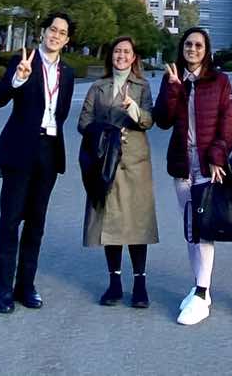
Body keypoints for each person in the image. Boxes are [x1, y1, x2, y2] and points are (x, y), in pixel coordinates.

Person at [0, 12, 75, 314]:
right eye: (52, 29)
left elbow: (61, 113)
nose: (56, 35)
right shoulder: (23, 60)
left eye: (62, 32)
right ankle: (5, 288)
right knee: (10, 219)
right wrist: (18, 79)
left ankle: (27, 285)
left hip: (49, 151)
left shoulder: (68, 73)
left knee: (36, 223)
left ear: (67, 40)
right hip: (19, 149)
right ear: (44, 32)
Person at [153, 26, 232, 326]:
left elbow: (229, 124)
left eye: (199, 45)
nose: (193, 49)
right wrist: (174, 88)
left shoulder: (219, 81)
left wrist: (217, 156)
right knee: (191, 228)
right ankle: (199, 287)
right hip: (181, 164)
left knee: (204, 228)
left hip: (207, 165)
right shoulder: (173, 78)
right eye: (188, 44)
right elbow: (162, 120)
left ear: (207, 49)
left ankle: (202, 293)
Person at [77, 35, 160, 308]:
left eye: (126, 52)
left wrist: (133, 108)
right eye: (117, 51)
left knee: (136, 223)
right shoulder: (98, 87)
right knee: (110, 222)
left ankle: (140, 284)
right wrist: (104, 132)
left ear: (134, 57)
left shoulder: (142, 86)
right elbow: (84, 121)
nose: (121, 56)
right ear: (110, 55)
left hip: (135, 162)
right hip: (105, 163)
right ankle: (114, 282)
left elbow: (149, 120)